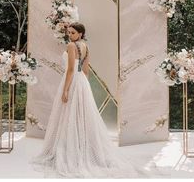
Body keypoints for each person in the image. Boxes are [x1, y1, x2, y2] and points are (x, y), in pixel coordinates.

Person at [30, 22, 139, 178]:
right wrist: (83, 87)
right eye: (69, 32)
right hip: (82, 82)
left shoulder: (71, 46)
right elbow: (86, 70)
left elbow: (70, 70)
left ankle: (71, 149)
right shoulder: (85, 46)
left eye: (73, 33)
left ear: (80, 33)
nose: (70, 35)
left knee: (69, 114)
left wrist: (66, 89)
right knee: (80, 114)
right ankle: (80, 146)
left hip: (72, 80)